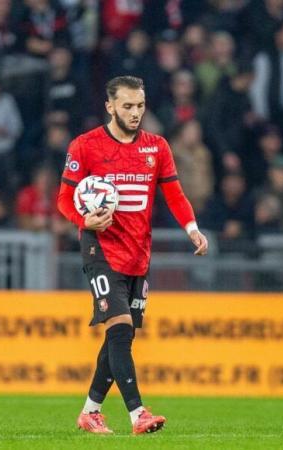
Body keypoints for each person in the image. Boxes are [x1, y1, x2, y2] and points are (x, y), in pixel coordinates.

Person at [57, 76, 208, 434]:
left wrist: (192, 228)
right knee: (121, 332)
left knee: (119, 338)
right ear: (109, 106)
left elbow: (174, 194)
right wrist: (84, 219)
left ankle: (90, 412)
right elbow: (64, 199)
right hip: (100, 247)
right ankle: (138, 414)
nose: (135, 112)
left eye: (140, 106)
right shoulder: (85, 146)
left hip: (138, 253)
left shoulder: (157, 147)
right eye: (127, 106)